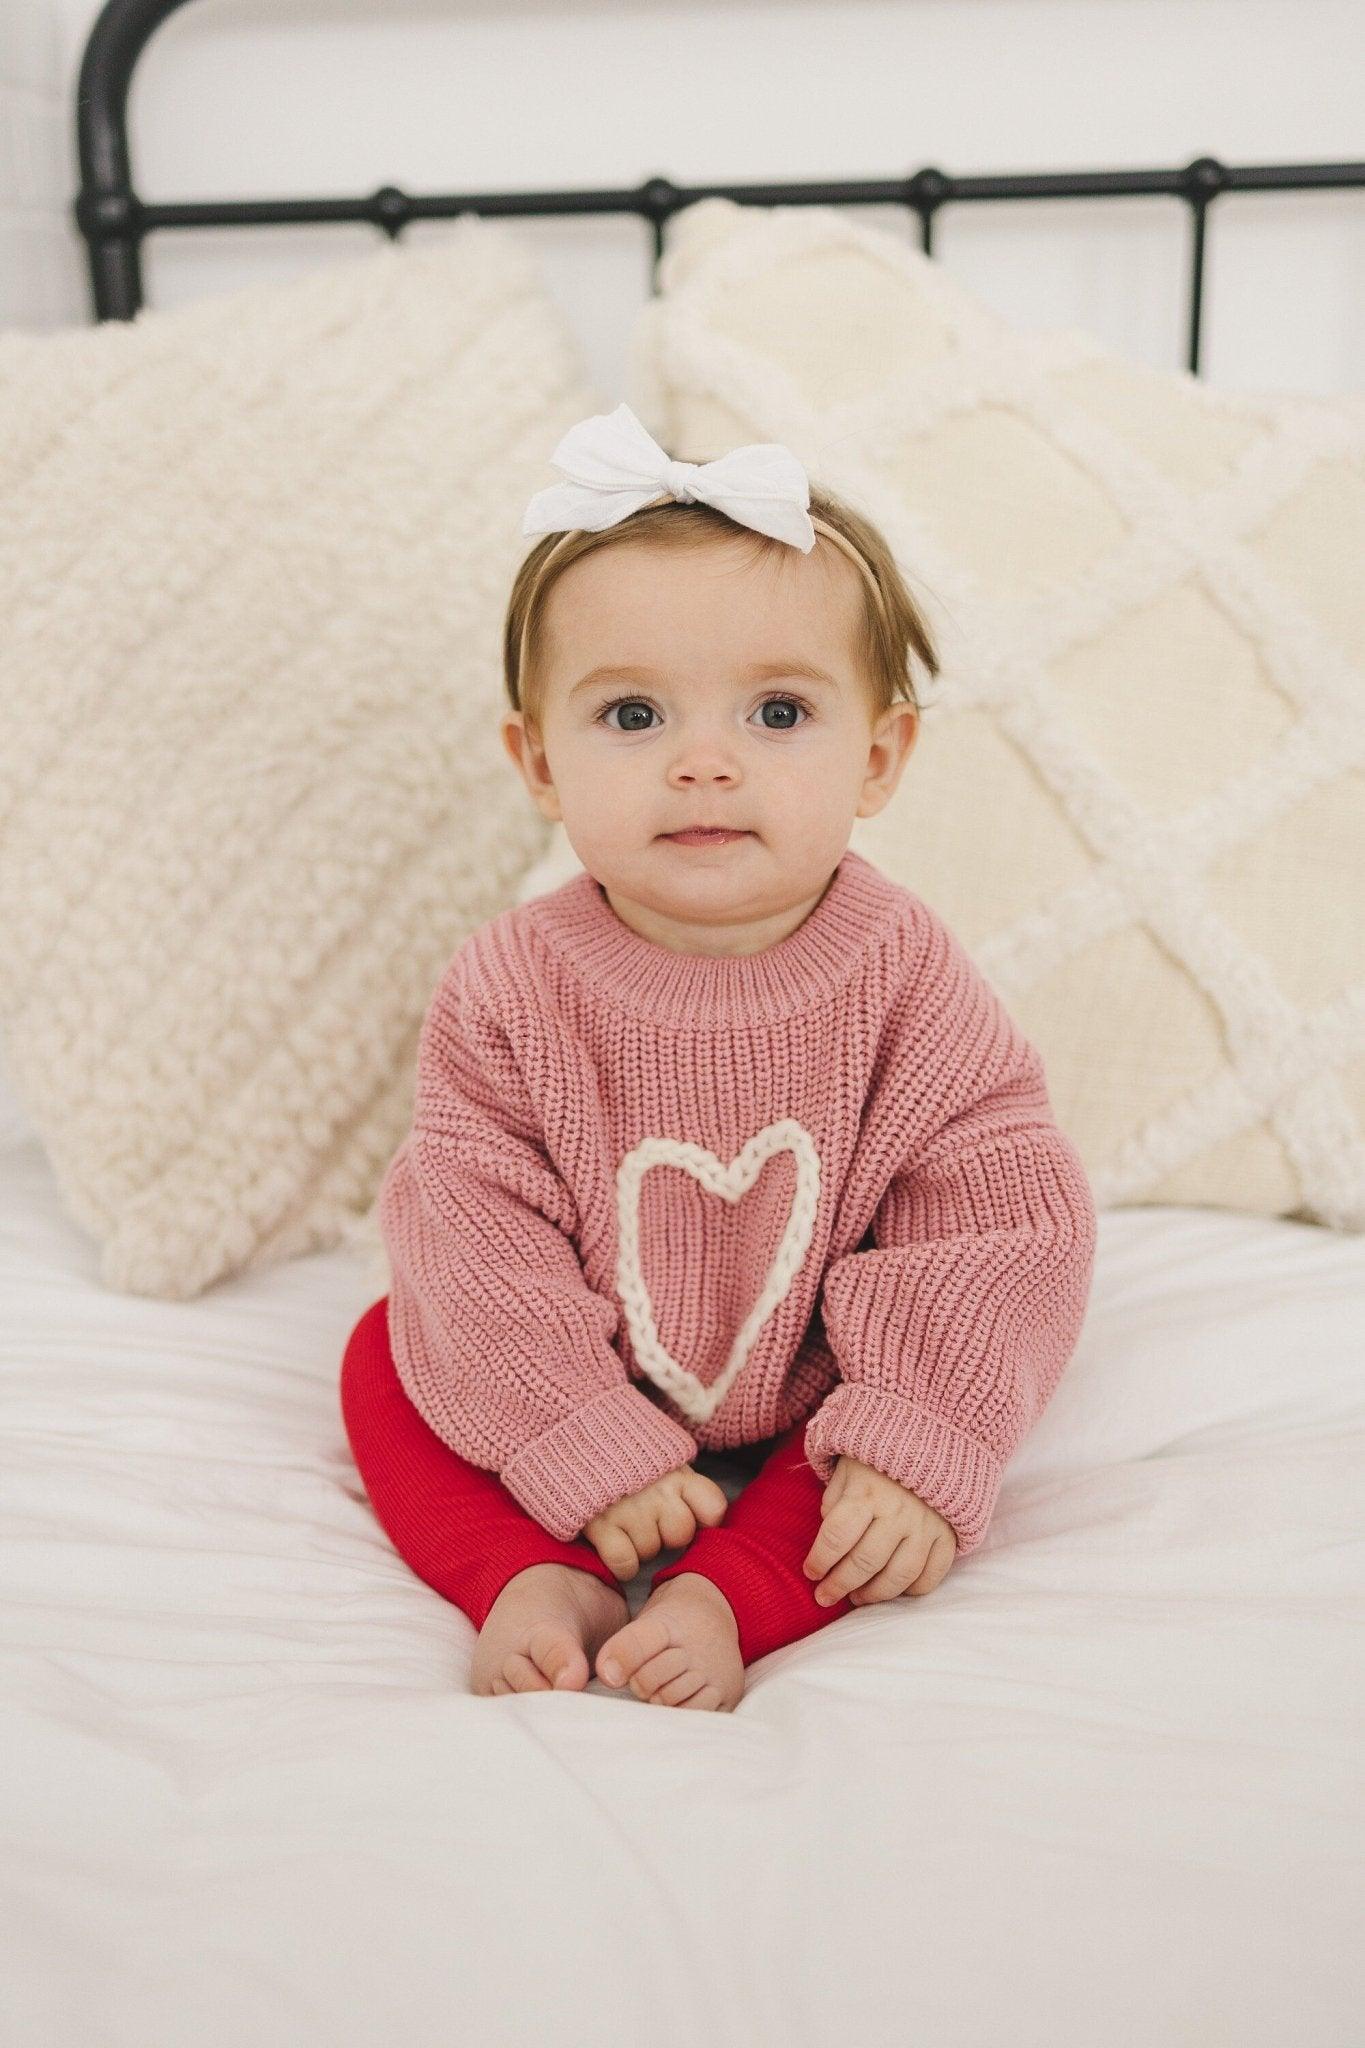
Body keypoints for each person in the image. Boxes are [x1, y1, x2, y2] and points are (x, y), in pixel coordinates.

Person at [339, 401, 1098, 1711]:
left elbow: (994, 1206)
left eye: (777, 712)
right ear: (538, 762)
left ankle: (727, 1593)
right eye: (633, 714)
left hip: (810, 1373)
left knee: (882, 1460)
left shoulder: (903, 971)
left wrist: (915, 1425)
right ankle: (529, 1572)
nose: (703, 764)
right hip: (573, 1363)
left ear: (877, 757)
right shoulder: (509, 986)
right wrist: (577, 1433)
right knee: (388, 1354)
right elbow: (473, 1229)